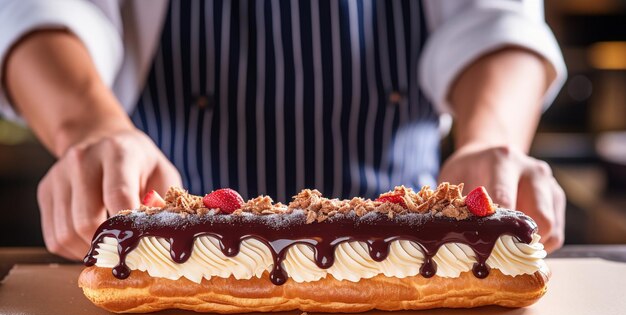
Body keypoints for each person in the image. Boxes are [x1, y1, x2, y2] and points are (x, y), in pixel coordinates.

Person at [0, 0, 567, 260]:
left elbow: (495, 21)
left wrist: (489, 139)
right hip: (166, 242)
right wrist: (89, 127)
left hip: (415, 245)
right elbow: (40, 10)